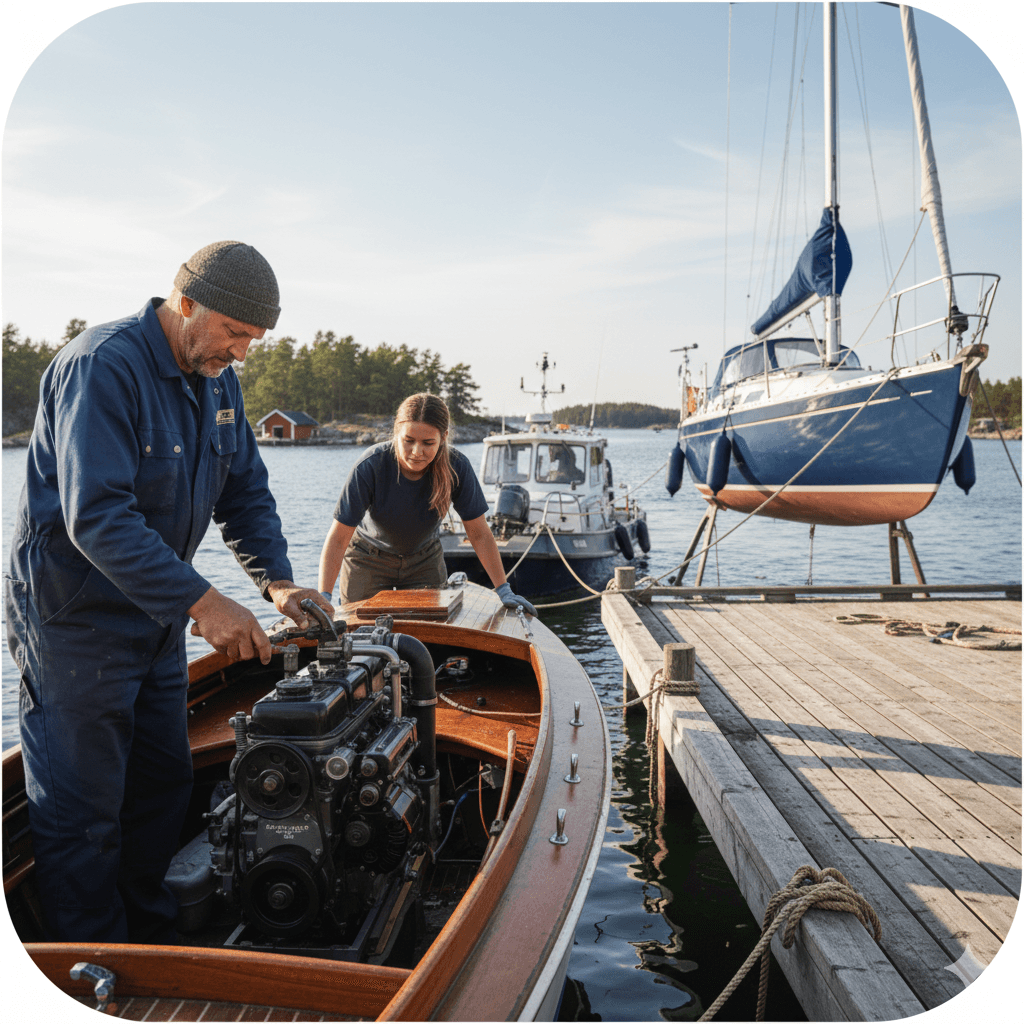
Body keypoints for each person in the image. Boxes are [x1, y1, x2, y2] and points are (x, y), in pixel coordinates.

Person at [3, 240, 332, 944]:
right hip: (73, 625)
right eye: (235, 333)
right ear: (185, 304)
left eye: (255, 339)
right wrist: (204, 604)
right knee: (82, 816)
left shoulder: (218, 383)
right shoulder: (101, 366)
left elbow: (243, 490)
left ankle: (155, 942)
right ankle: (94, 976)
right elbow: (98, 516)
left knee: (161, 787)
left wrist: (273, 579)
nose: (243, 352)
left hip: (153, 622)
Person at [318, 393, 536, 614]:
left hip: (423, 561)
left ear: (443, 437)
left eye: (428, 443)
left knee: (429, 636)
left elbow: (479, 533)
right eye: (409, 441)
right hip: (367, 560)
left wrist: (503, 590)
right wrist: (324, 596)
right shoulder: (370, 466)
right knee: (361, 634)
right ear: (396, 433)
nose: (417, 452)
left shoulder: (457, 467)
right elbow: (338, 538)